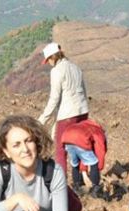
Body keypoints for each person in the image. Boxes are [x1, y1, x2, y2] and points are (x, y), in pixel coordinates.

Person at [37, 42, 89, 171]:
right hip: (83, 111)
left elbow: (54, 98)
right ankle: (81, 178)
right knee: (80, 145)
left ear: (53, 57)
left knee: (60, 148)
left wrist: (43, 119)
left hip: (67, 114)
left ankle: (61, 182)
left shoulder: (56, 71)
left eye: (48, 59)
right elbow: (84, 91)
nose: (48, 63)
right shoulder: (76, 67)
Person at [60, 118, 107, 198]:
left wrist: (84, 170)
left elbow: (82, 156)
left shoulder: (84, 125)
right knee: (94, 162)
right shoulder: (98, 130)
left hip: (67, 137)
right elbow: (100, 150)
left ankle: (76, 186)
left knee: (75, 163)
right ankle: (95, 189)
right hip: (80, 138)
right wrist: (99, 168)